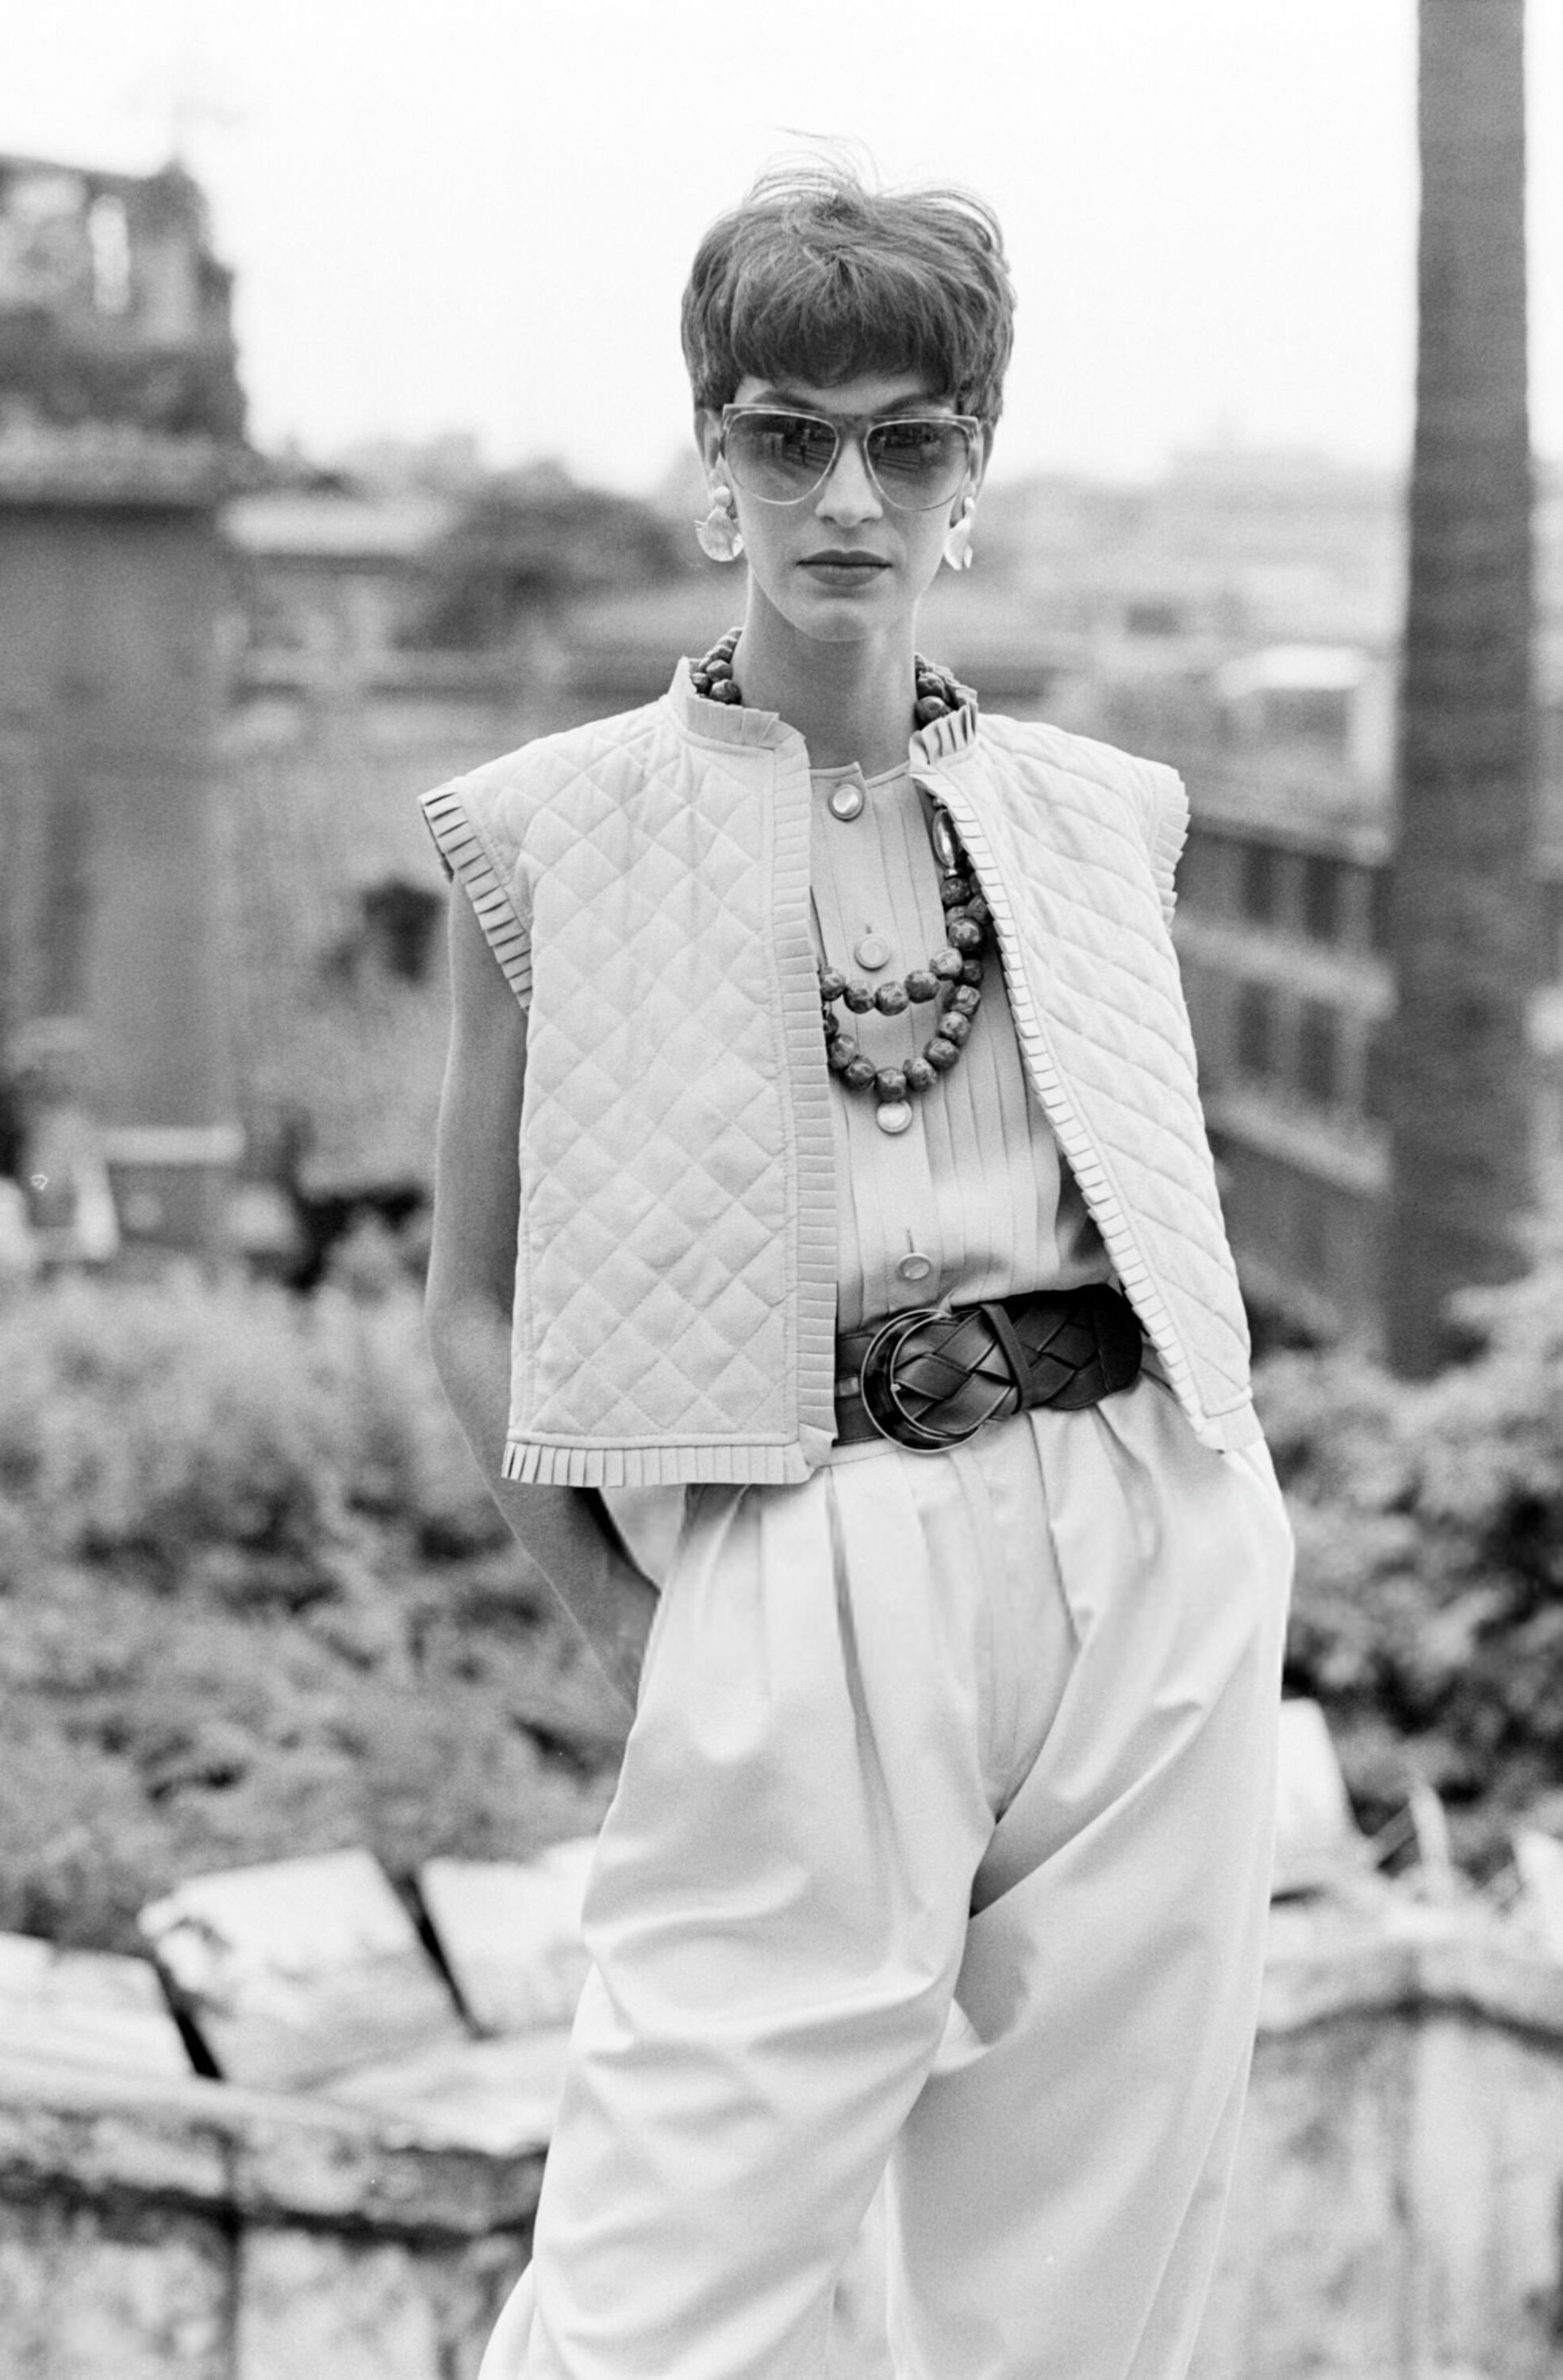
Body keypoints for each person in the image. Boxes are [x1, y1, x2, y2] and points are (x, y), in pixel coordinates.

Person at [422, 158, 1294, 2380]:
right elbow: (469, 1303)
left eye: (907, 442)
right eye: (788, 434)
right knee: (654, 2288)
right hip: (790, 1548)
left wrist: (1224, 1541)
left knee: (1077, 2276)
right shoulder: (543, 834)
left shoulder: (1112, 816)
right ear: (710, 455)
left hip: (1147, 1531)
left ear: (970, 474)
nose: (845, 496)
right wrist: (643, 1630)